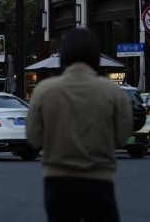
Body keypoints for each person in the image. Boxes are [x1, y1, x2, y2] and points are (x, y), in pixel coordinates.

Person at [26, 28, 133, 222]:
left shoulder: (44, 91)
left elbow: (34, 139)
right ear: (95, 56)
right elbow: (122, 138)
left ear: (64, 55)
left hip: (57, 181)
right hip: (100, 180)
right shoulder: (114, 93)